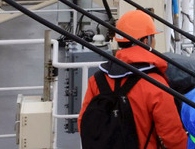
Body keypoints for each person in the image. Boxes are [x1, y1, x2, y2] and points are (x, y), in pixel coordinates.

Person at [79, 10, 187, 149]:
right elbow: (172, 136)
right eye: (153, 37)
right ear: (146, 41)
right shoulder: (155, 84)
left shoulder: (97, 79)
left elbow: (84, 123)